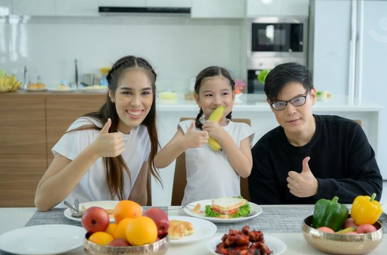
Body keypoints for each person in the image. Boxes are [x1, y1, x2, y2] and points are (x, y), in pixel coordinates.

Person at [34, 56, 160, 211]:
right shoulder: (84, 129)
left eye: (145, 93)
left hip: (112, 225)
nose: (136, 102)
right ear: (112, 94)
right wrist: (94, 151)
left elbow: (137, 199)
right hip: (74, 223)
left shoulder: (144, 134)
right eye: (127, 92)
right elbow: (42, 201)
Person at [248, 63, 382, 204]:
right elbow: (269, 213)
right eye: (280, 104)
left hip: (346, 224)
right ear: (270, 105)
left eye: (298, 100)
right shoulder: (262, 152)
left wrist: (318, 188)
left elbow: (373, 190)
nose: (290, 111)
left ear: (312, 96)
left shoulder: (349, 132)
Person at [154, 66, 254, 205]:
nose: (217, 101)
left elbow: (245, 171)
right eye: (209, 95)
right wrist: (183, 143)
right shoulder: (189, 128)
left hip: (228, 210)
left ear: (233, 96)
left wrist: (224, 138)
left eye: (224, 93)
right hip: (194, 209)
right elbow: (159, 162)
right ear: (197, 99)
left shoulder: (241, 130)